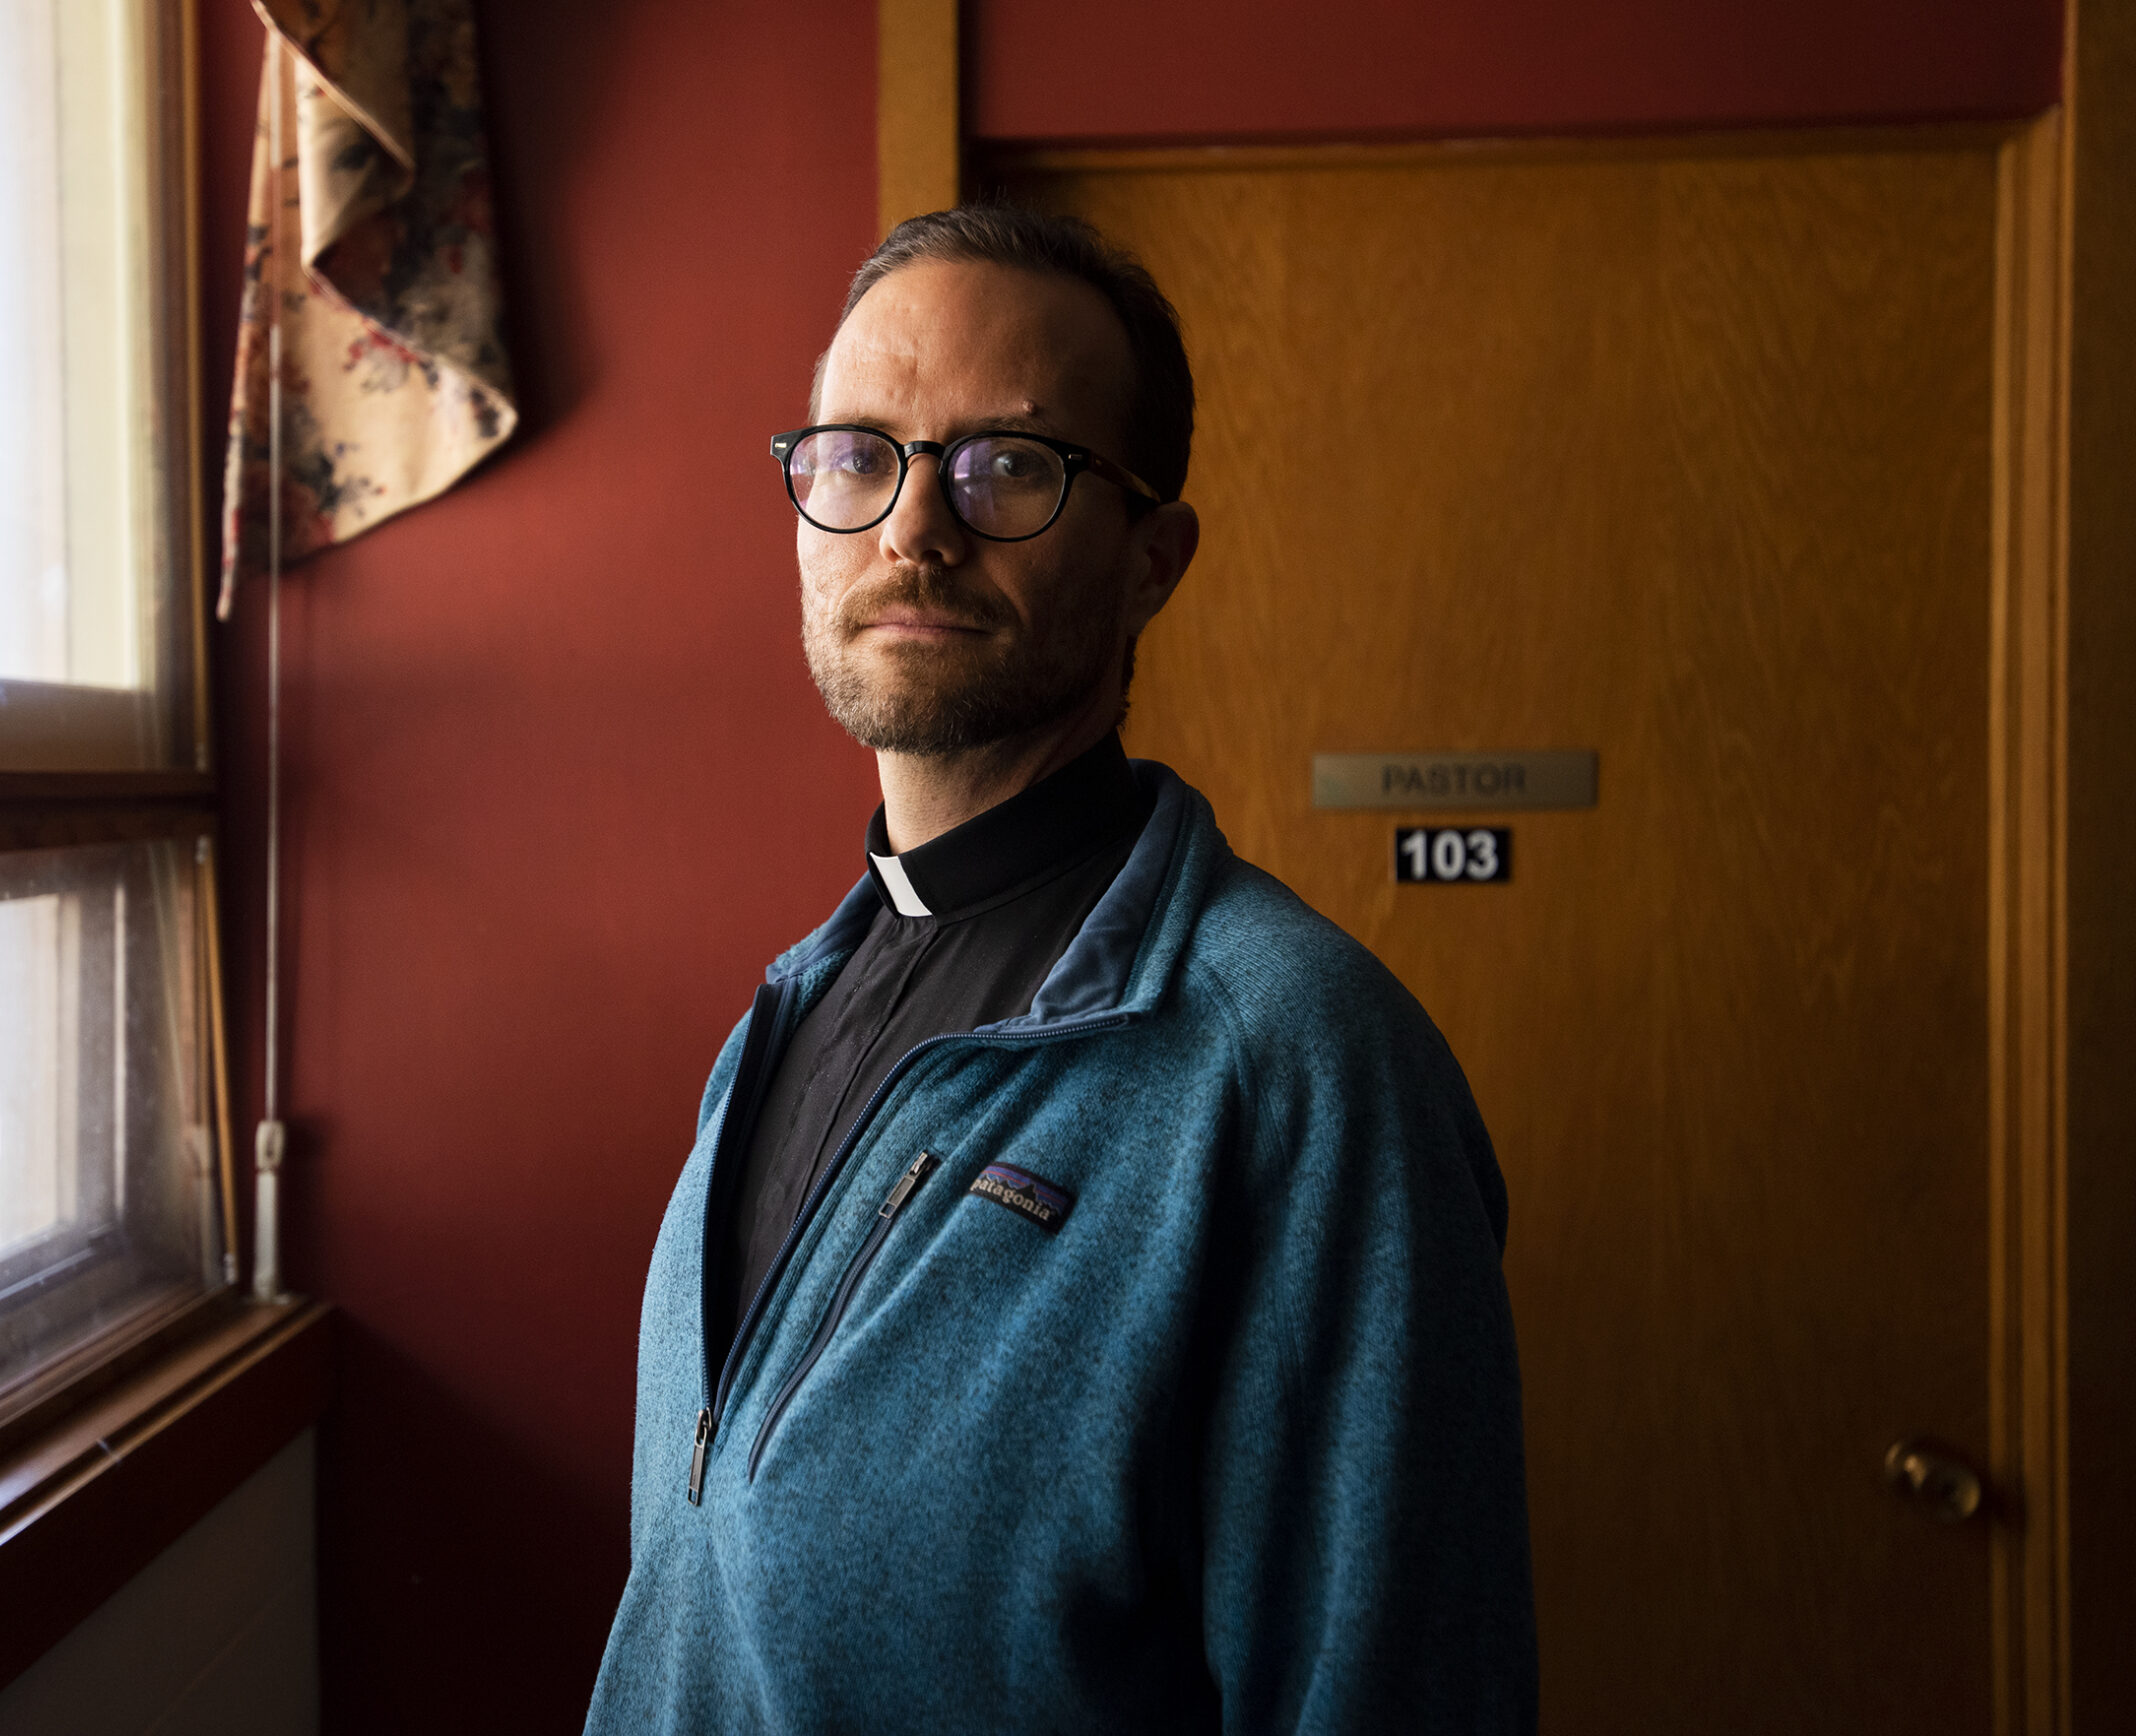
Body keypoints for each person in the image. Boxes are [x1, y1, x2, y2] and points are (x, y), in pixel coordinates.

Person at [585, 206, 1536, 1733]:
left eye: (1007, 467)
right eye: (857, 454)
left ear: (1155, 559)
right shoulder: (780, 1016)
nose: (912, 529)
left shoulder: (1295, 1065)